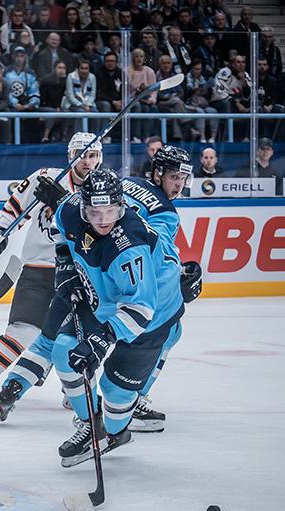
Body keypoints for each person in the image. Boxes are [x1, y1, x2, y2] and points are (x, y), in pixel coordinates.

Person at [35, 168, 185, 465]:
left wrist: (102, 340)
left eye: (111, 211)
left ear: (122, 207)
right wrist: (66, 267)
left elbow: (141, 308)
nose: (103, 220)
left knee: (115, 399)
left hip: (153, 312)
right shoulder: (69, 210)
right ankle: (92, 424)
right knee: (64, 351)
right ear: (82, 206)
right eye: (94, 212)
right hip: (105, 296)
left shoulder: (129, 246)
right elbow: (60, 234)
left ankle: (114, 432)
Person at [0, 134, 101, 418]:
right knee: (22, 332)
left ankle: (73, 392)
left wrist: (65, 203)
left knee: (76, 337)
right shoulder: (47, 177)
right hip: (39, 267)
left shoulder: (103, 189)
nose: (87, 161)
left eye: (93, 155)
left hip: (80, 273)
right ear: (69, 154)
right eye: (81, 154)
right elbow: (16, 207)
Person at [119, 146, 198, 432]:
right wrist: (179, 276)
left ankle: (76, 392)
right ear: (157, 173)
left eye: (183, 178)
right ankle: (132, 398)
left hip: (96, 268)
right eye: (174, 176)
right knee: (169, 330)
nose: (178, 184)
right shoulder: (166, 211)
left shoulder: (126, 182)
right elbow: (156, 252)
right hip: (129, 280)